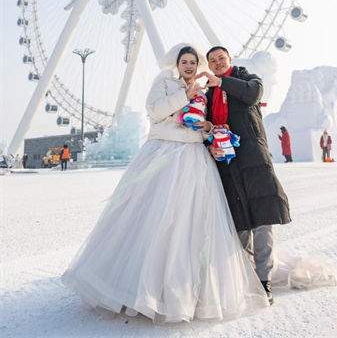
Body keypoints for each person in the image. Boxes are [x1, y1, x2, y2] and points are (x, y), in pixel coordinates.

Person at [61, 45, 269, 323]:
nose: (189, 66)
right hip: (165, 155)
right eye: (185, 61)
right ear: (177, 64)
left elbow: (205, 121)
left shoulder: (204, 91)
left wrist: (207, 128)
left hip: (196, 157)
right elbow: (156, 111)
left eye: (193, 62)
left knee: (193, 224)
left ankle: (185, 291)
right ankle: (140, 286)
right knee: (155, 219)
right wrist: (186, 95)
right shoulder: (164, 83)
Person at [195, 46, 291, 306]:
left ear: (230, 60)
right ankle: (247, 277)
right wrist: (208, 145)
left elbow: (253, 94)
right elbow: (203, 128)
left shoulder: (248, 80)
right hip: (227, 162)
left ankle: (264, 279)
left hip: (253, 158)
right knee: (239, 223)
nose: (216, 63)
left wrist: (222, 82)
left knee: (262, 219)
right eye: (212, 61)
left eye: (221, 59)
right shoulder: (208, 96)